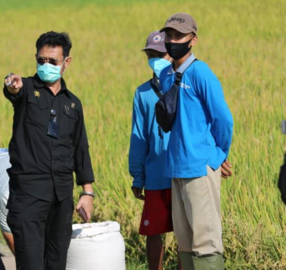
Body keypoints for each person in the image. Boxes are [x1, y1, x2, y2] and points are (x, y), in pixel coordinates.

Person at [3, 31, 95, 270]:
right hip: (29, 196)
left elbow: (80, 148)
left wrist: (87, 193)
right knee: (32, 265)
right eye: (41, 60)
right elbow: (13, 90)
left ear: (66, 62)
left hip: (61, 198)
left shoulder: (72, 104)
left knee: (56, 264)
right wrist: (12, 86)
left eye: (53, 61)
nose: (46, 65)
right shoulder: (27, 90)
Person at [158, 13, 234, 269]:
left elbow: (223, 119)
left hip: (199, 168)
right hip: (176, 168)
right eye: (169, 36)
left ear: (193, 40)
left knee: (206, 243)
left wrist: (218, 156)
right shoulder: (167, 75)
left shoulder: (201, 73)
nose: (172, 40)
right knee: (185, 243)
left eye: (178, 36)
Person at [129, 30, 182, 270]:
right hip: (154, 174)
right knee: (153, 231)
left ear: (170, 54)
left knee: (185, 232)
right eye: (150, 53)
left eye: (159, 53)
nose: (155, 57)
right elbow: (138, 136)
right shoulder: (142, 93)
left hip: (182, 172)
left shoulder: (184, 86)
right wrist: (138, 175)